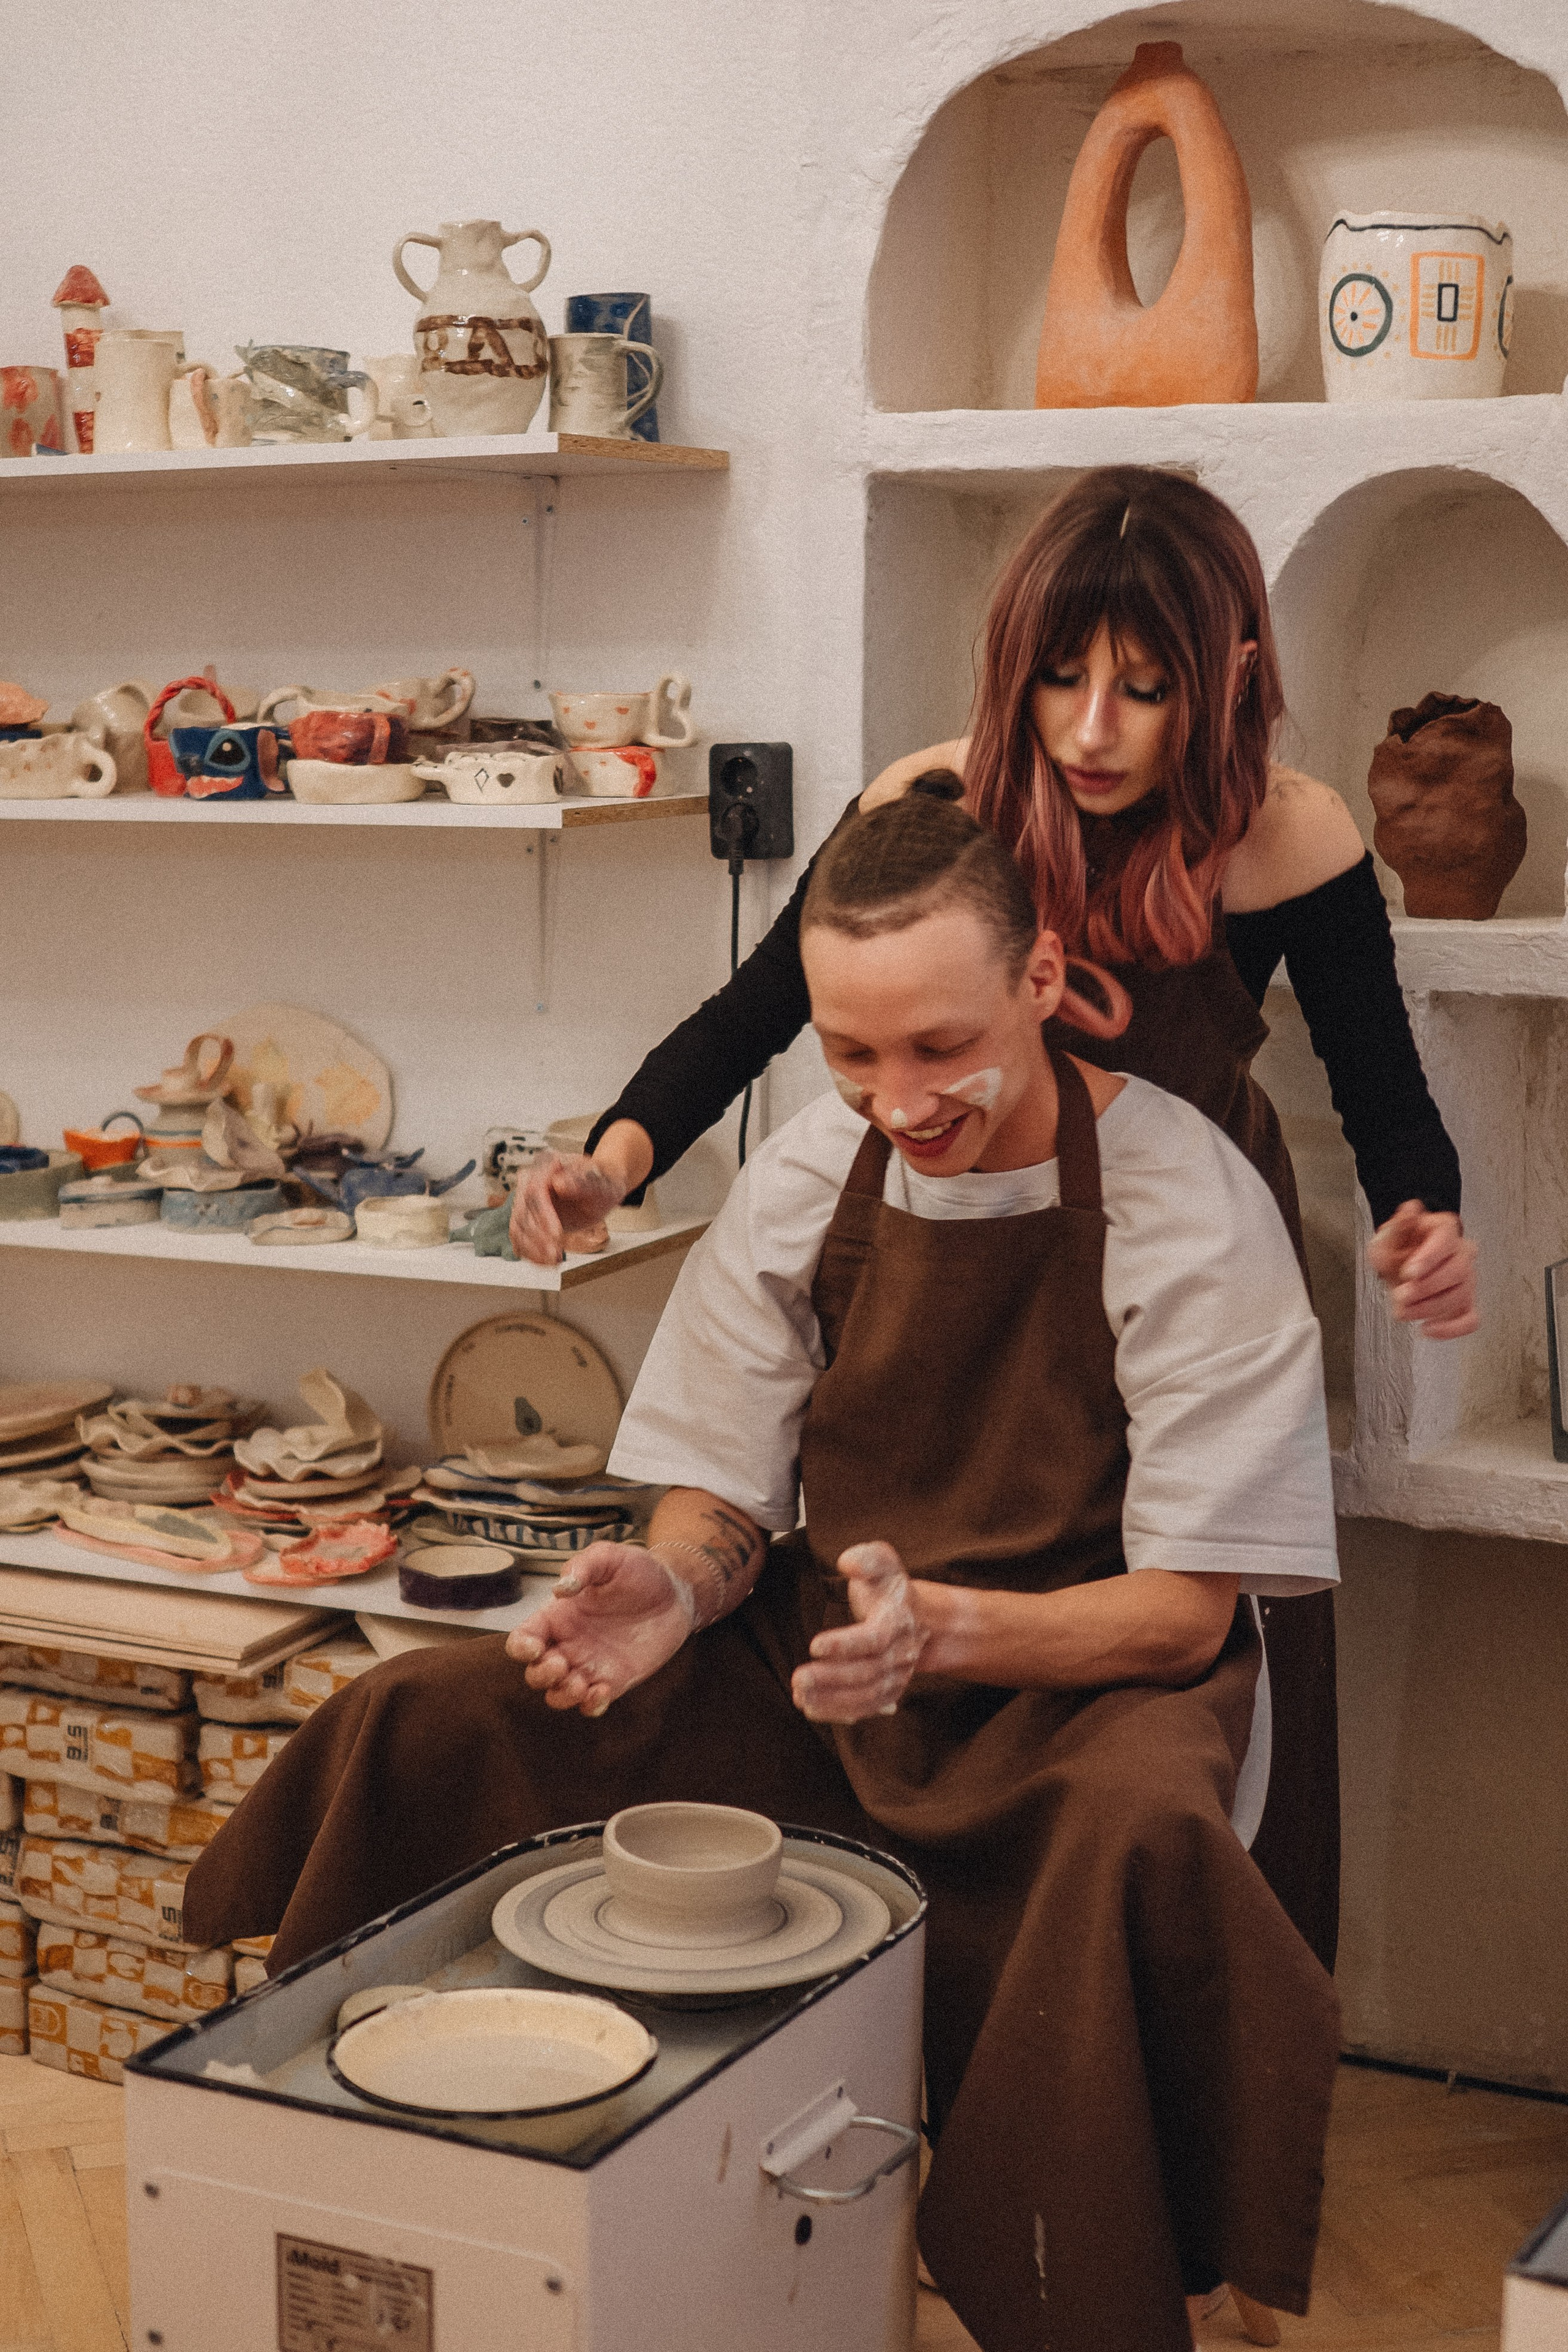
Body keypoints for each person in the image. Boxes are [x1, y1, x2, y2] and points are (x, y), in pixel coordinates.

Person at [186, 791, 1341, 2352]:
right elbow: (721, 1494)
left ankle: (1083, 2284)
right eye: (852, 1056)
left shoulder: (1182, 1200)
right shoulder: (811, 1178)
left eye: (939, 1048)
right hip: (832, 1656)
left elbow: (1184, 1611)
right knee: (434, 1715)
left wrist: (946, 1630)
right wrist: (666, 1589)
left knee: (1140, 1836)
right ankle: (409, 2174)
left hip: (1085, 1679)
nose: (898, 1100)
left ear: (1043, 981)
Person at [510, 465, 1479, 1972]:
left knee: (1194, 1621)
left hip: (1170, 1227)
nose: (1091, 729)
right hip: (947, 1225)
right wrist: (614, 1159)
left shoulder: (1288, 836)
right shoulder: (931, 792)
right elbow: (765, 1006)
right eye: (1058, 677)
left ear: (1222, 680)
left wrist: (1423, 1214)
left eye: (1143, 689)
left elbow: (1382, 1092)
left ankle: (1201, 2002)